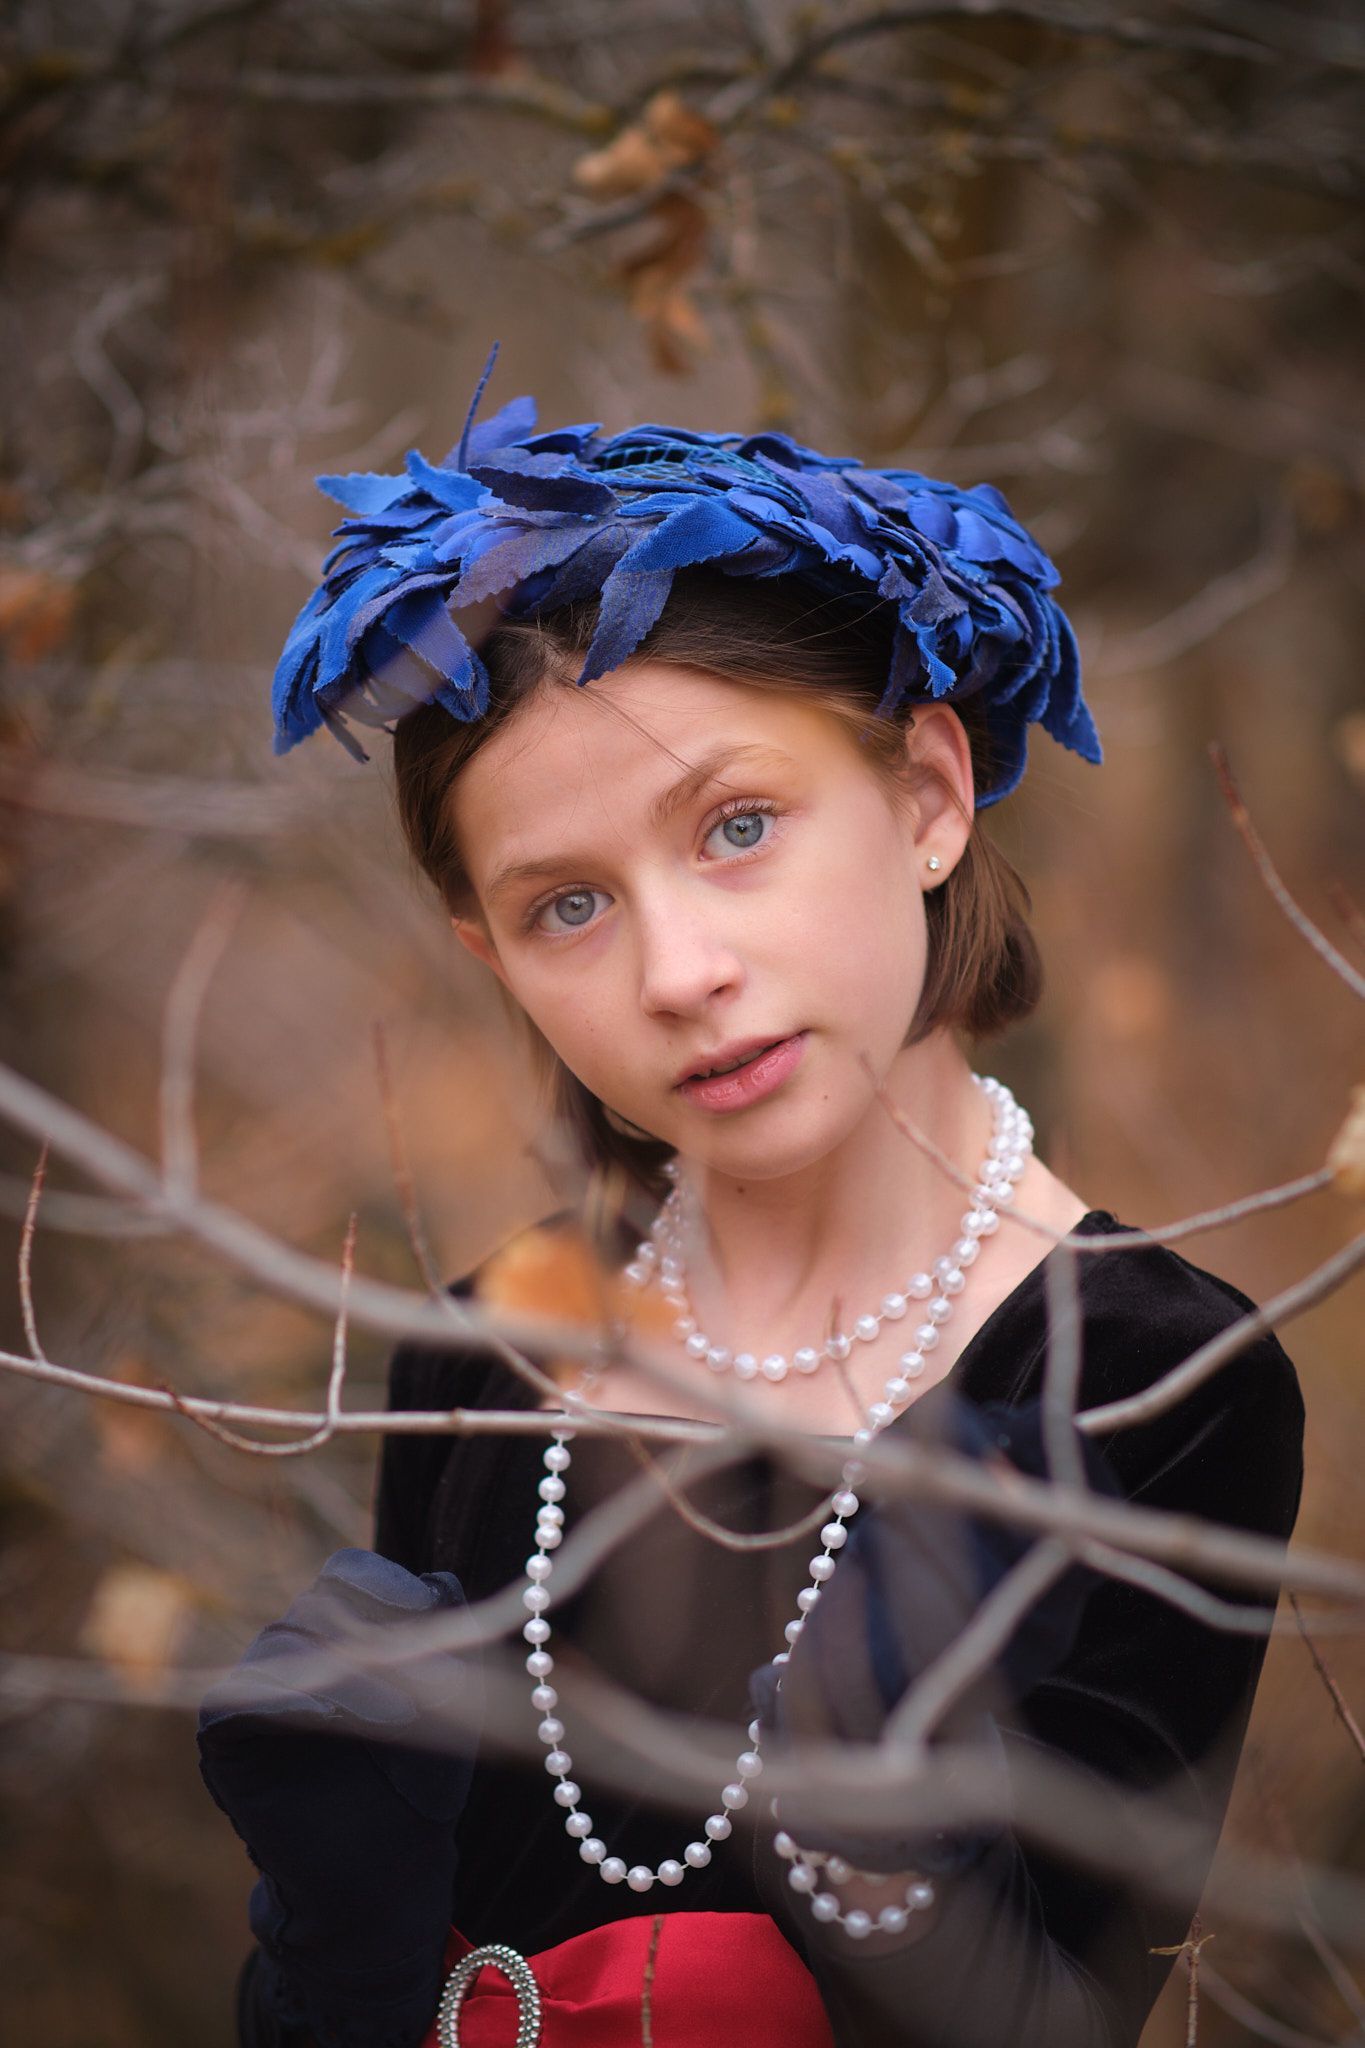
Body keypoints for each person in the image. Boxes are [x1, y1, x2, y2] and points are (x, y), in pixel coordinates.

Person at [198, 348, 1305, 2048]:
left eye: (733, 828)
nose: (678, 972)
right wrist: (332, 1945)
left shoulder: (1150, 1386)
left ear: (926, 795)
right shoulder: (490, 1361)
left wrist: (879, 1841)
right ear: (488, 957)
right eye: (568, 908)